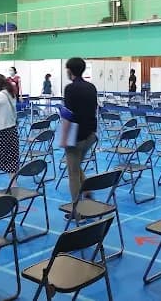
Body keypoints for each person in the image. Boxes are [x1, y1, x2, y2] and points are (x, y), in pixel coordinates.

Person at [60, 57, 98, 214]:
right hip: (90, 134)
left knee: (73, 173)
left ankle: (77, 210)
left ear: (70, 71)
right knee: (76, 165)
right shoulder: (91, 87)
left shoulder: (70, 89)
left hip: (75, 137)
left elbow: (68, 115)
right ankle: (87, 191)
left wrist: (63, 137)